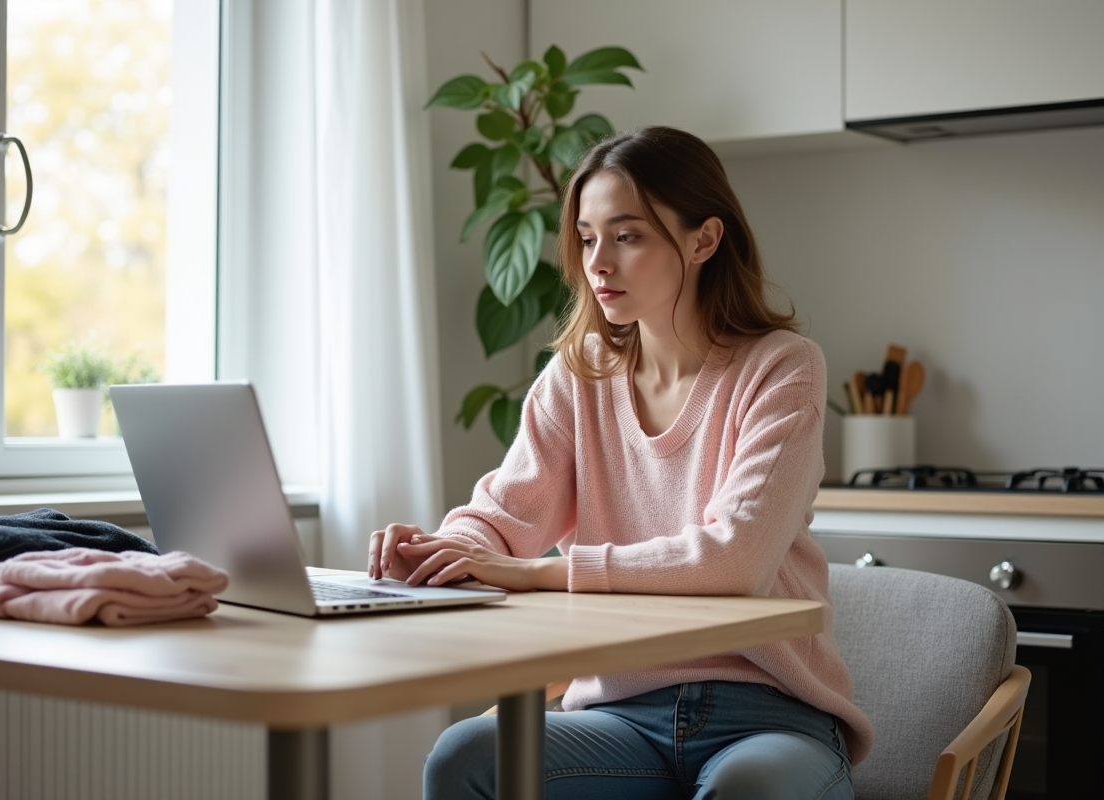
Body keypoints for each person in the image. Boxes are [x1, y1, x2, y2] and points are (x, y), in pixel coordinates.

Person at [369, 126, 873, 800]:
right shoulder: (576, 379)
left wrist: (538, 573)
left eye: (627, 235)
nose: (597, 263)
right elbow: (501, 519)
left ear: (703, 240)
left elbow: (737, 558)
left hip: (767, 715)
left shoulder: (781, 368)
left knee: (752, 788)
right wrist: (442, 552)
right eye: (586, 237)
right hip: (620, 716)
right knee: (466, 756)